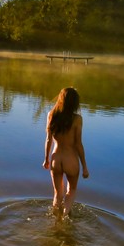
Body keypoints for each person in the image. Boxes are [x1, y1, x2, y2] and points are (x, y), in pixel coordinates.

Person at [42, 87, 90, 216]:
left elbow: (48, 140)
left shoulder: (51, 115)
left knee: (57, 194)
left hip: (56, 159)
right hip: (71, 160)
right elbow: (78, 144)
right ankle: (65, 216)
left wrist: (46, 159)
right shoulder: (77, 119)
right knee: (71, 191)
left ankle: (55, 218)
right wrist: (85, 167)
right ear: (75, 103)